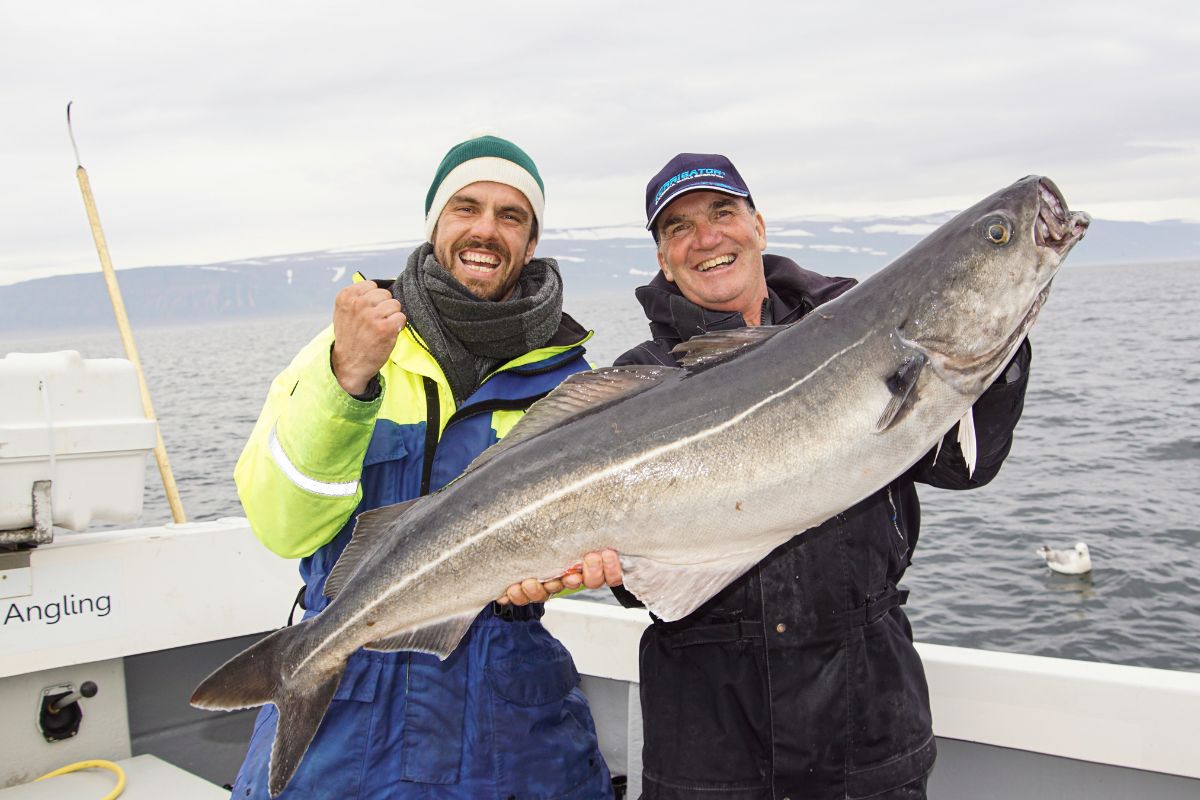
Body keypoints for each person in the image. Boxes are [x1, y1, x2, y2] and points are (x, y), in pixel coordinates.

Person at [506, 153, 1032, 800]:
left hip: (868, 715)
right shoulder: (640, 380)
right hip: (708, 731)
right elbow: (641, 579)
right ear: (663, 259)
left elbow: (965, 464)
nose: (706, 238)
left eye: (722, 212)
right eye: (678, 228)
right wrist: (597, 566)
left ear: (758, 224)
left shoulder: (862, 328)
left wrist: (1001, 336)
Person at [229, 135, 613, 800]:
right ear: (437, 222)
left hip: (510, 712)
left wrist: (577, 573)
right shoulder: (341, 349)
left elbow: (576, 539)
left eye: (511, 215)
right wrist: (346, 379)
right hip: (346, 700)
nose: (486, 229)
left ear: (530, 241)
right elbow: (283, 526)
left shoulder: (573, 384)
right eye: (466, 207)